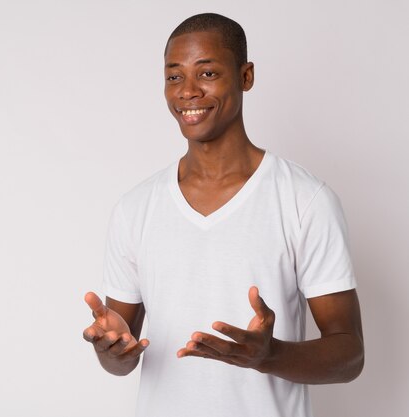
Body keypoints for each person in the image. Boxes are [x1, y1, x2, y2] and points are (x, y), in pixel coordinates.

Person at [82, 13, 364, 417]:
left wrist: (268, 356)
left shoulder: (305, 199)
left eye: (208, 72)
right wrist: (111, 351)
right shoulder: (135, 208)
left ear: (245, 76)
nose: (188, 92)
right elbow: (122, 358)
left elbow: (350, 353)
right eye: (174, 77)